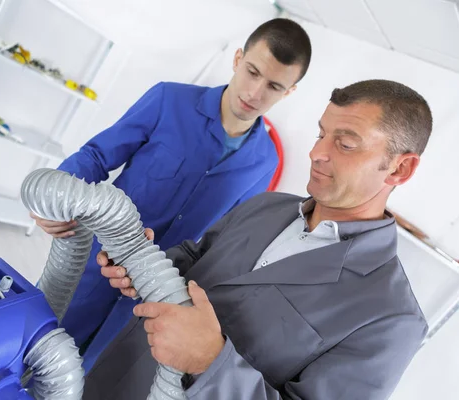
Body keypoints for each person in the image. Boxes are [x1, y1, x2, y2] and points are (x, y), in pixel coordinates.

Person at [89, 79, 433, 399]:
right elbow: (194, 259)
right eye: (321, 134)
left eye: (344, 144)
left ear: (399, 169)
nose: (317, 153)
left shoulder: (391, 317)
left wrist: (209, 363)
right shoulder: (266, 206)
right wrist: (142, 267)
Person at [31, 18, 313, 369]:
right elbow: (97, 156)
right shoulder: (168, 100)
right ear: (238, 58)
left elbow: (224, 242)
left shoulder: (264, 162)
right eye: (253, 72)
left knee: (93, 377)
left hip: (154, 295)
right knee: (34, 351)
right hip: (94, 265)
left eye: (273, 86)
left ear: (289, 92)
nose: (255, 93)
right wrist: (55, 196)